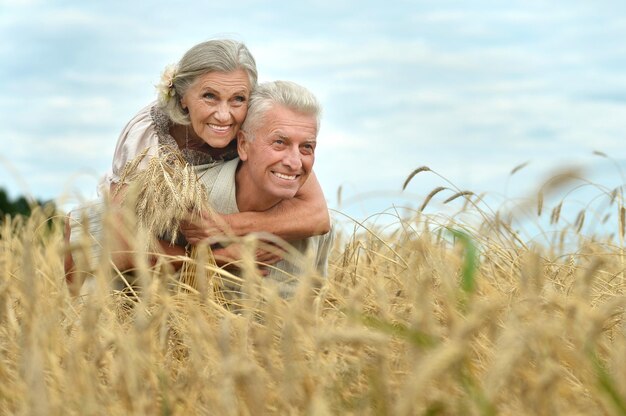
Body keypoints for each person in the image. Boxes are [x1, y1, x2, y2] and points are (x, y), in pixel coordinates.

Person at [65, 39, 330, 292]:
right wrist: (213, 262)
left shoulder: (256, 122)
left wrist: (225, 226)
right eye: (209, 96)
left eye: (238, 99)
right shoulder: (148, 140)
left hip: (205, 215)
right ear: (182, 97)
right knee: (83, 226)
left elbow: (317, 215)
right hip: (152, 231)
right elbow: (122, 237)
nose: (224, 115)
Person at [194, 80, 332, 299]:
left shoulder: (315, 230)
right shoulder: (191, 198)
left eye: (307, 147)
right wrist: (210, 261)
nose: (295, 163)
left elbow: (310, 317)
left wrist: (226, 226)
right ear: (243, 145)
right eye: (279, 142)